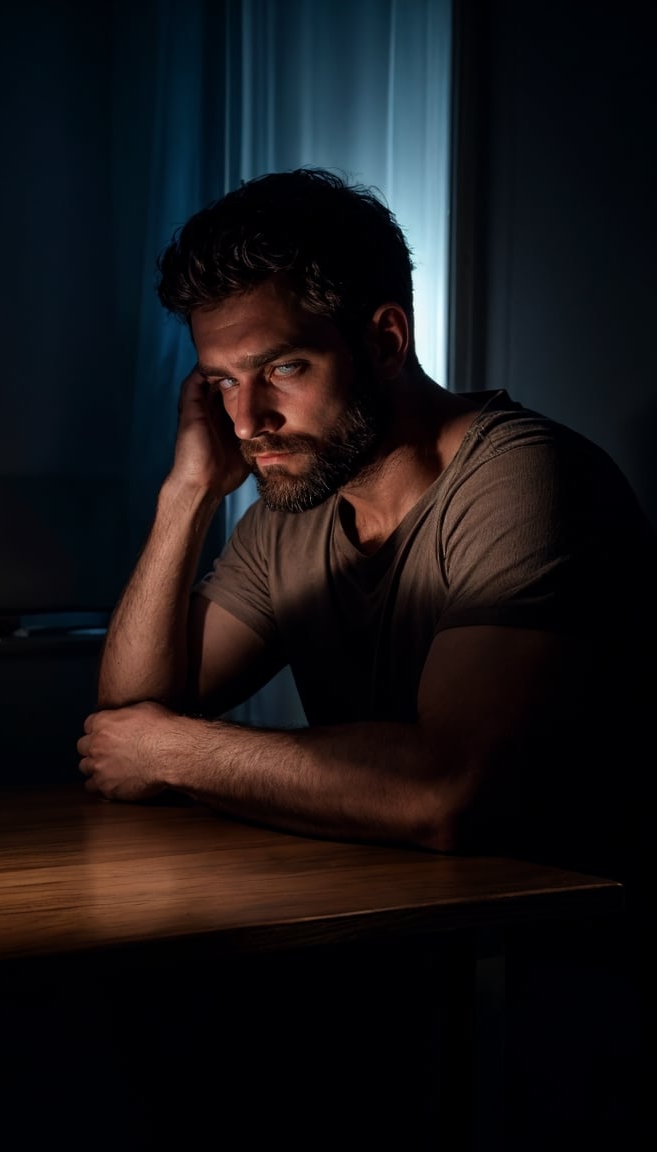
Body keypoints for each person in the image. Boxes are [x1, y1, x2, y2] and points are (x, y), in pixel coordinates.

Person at [76, 166, 654, 890]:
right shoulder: (295, 507)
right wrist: (186, 493)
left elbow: (447, 794)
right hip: (401, 934)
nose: (248, 422)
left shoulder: (526, 482)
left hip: (573, 958)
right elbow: (125, 725)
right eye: (222, 382)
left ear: (384, 342)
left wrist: (178, 754)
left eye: (283, 367)